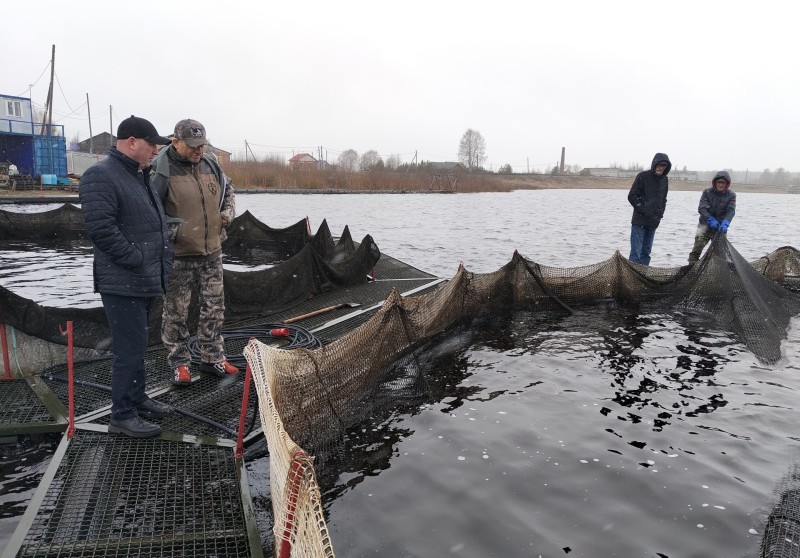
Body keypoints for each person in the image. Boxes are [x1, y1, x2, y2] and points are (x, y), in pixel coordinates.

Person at [79, 115, 174, 438]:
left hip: (144, 278)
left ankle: (137, 397)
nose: (154, 152)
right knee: (128, 348)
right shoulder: (100, 175)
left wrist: (159, 260)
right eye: (151, 146)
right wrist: (136, 259)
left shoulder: (138, 174)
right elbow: (101, 230)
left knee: (138, 343)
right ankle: (121, 414)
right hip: (122, 281)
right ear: (132, 142)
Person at [151, 119, 239, 386]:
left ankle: (213, 358)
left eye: (201, 145)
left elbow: (229, 191)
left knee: (215, 308)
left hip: (212, 250)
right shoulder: (160, 170)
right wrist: (172, 234)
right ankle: (179, 363)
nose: (197, 150)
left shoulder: (211, 164)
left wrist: (226, 215)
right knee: (176, 312)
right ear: (175, 142)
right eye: (192, 146)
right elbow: (149, 211)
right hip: (178, 256)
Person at [628, 153, 672, 265]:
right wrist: (643, 209)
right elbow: (632, 196)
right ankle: (632, 278)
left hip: (653, 223)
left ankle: (643, 277)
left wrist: (659, 215)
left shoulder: (664, 180)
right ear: (654, 164)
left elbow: (663, 200)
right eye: (659, 164)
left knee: (646, 253)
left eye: (663, 166)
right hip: (639, 222)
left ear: (666, 167)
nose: (660, 167)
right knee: (635, 253)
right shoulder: (642, 176)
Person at [687, 170, 737, 264]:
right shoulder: (707, 192)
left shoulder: (731, 195)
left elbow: (731, 211)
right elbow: (702, 208)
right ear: (715, 182)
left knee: (720, 255)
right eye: (719, 182)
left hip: (720, 229)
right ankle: (691, 270)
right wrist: (710, 219)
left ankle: (717, 274)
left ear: (727, 184)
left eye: (723, 183)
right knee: (696, 250)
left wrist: (726, 223)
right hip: (704, 226)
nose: (720, 185)